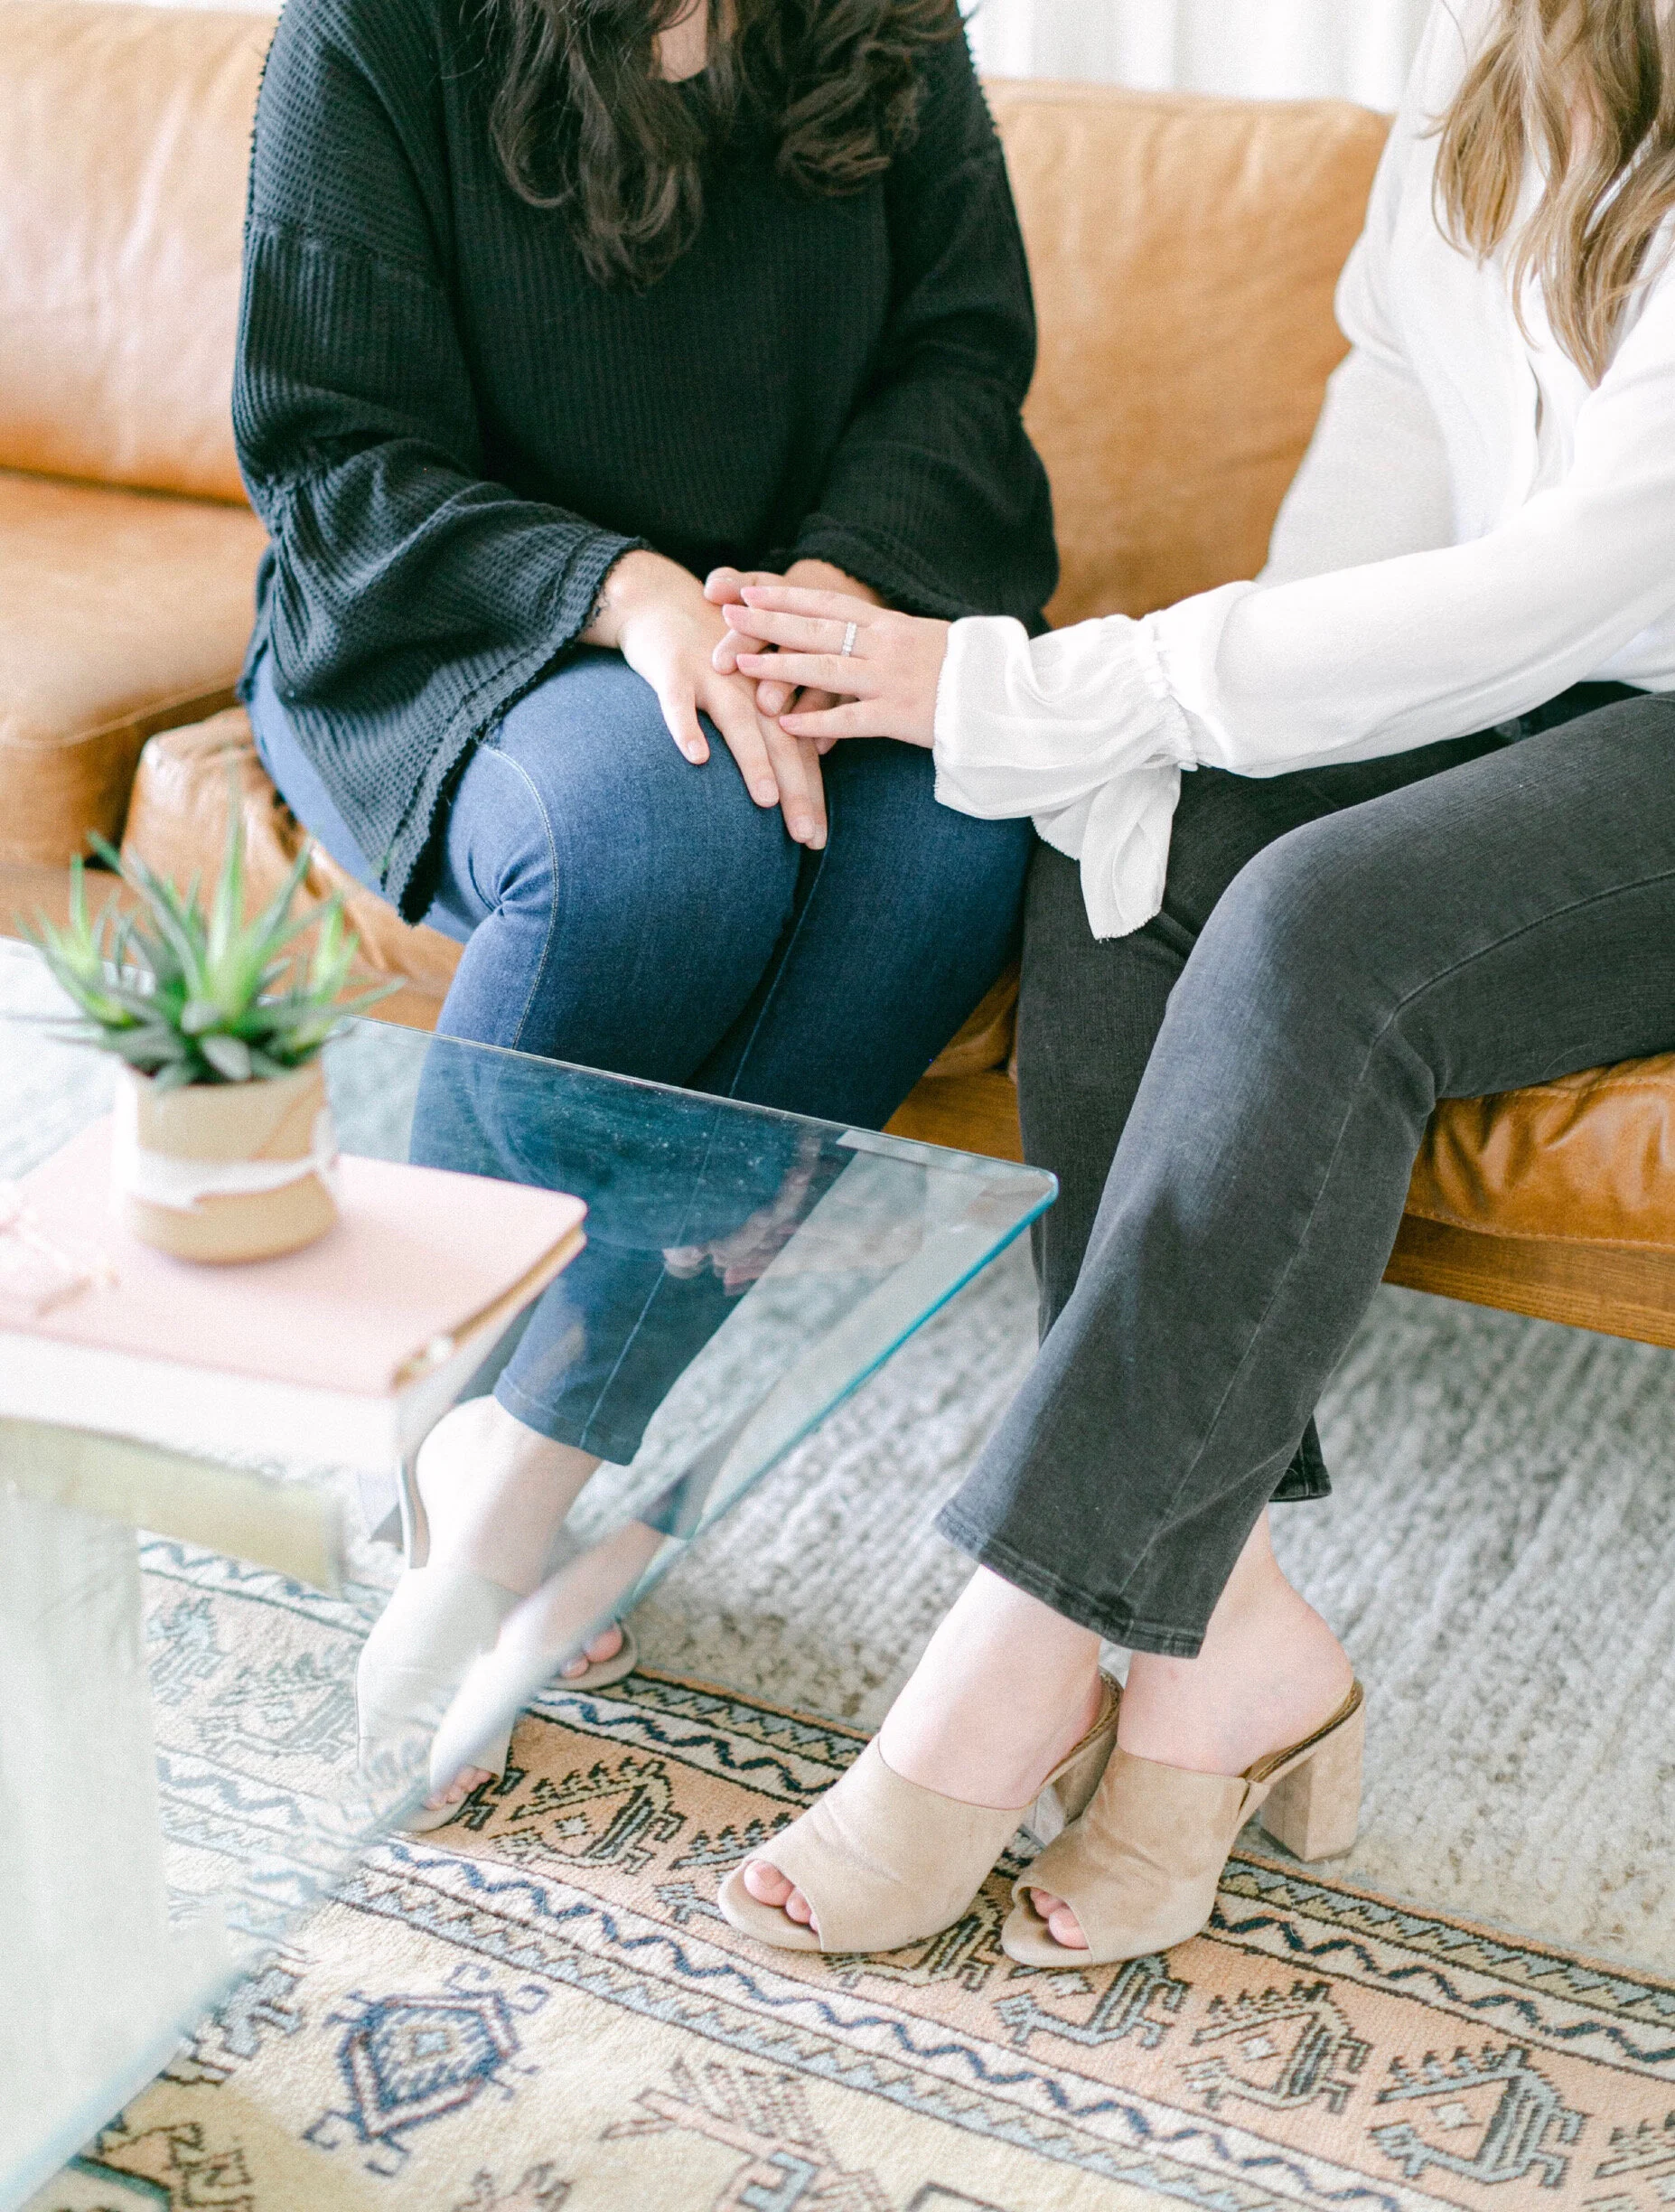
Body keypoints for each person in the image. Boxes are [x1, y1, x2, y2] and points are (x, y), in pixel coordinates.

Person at [712, 0, 1675, 1963]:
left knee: (1318, 926)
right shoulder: (1498, 47)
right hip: (1559, 687)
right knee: (1123, 829)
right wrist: (1210, 729)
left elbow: (1583, 570)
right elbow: (1396, 408)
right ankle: (1214, 1644)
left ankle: (1008, 1656)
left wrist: (1057, 681)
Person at [233, 0, 1056, 1814]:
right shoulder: (375, 30)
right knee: (659, 836)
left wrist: (824, 598)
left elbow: (958, 354)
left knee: (957, 835)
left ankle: (512, 1473)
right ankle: (445, 1419)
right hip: (471, 622)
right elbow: (331, 447)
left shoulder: (887, 24)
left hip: (817, 608)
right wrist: (634, 595)